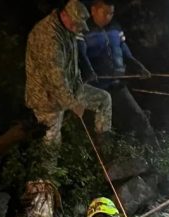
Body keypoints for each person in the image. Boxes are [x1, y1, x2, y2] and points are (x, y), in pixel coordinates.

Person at [25, 0, 112, 168]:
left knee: (104, 99)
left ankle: (105, 149)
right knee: (52, 142)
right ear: (64, 15)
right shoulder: (48, 36)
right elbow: (55, 81)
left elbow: (73, 63)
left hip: (70, 90)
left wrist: (81, 80)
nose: (77, 29)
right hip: (47, 98)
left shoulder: (68, 29)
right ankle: (47, 182)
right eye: (75, 24)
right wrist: (73, 104)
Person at [79, 0, 156, 145]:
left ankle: (156, 158)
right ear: (94, 10)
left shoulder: (115, 27)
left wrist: (137, 65)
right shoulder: (82, 29)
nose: (108, 16)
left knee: (139, 119)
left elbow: (123, 48)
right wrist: (88, 72)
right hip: (98, 89)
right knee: (103, 131)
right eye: (105, 12)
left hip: (118, 85)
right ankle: (107, 162)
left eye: (111, 13)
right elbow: (80, 56)